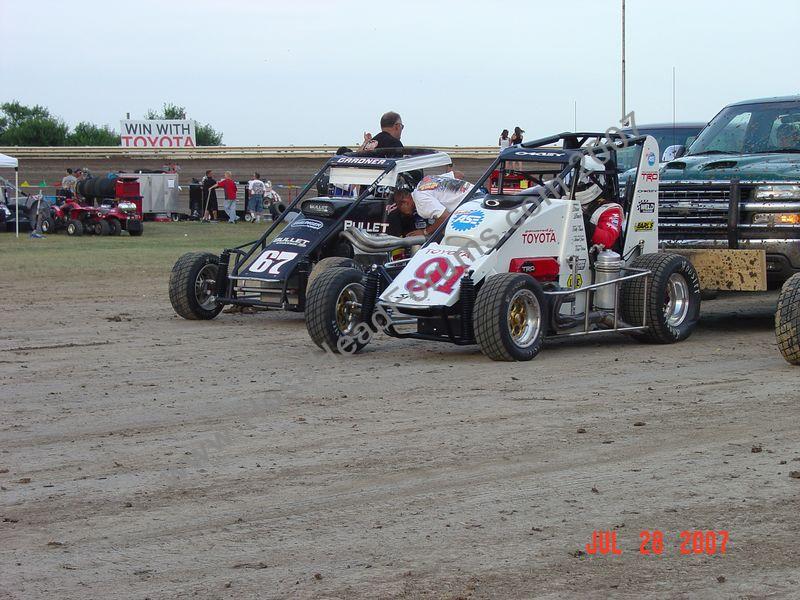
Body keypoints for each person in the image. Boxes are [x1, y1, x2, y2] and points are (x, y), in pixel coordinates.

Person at [398, 172, 474, 237]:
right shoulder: (425, 181)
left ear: (405, 202)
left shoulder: (420, 201)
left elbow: (444, 217)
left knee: (443, 232)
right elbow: (459, 174)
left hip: (470, 206)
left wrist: (425, 232)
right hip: (477, 193)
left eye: (399, 208)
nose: (403, 213)